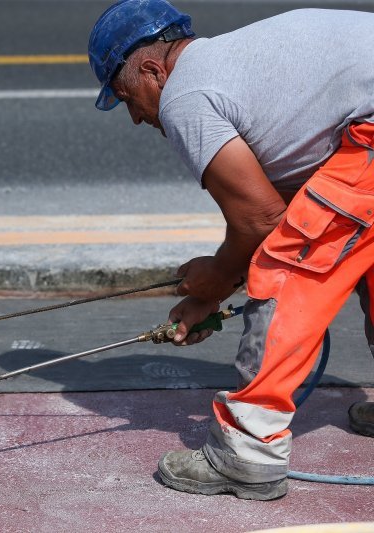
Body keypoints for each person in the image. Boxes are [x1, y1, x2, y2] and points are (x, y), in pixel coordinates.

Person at [88, 0, 374, 500]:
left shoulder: (185, 95)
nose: (134, 117)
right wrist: (216, 283)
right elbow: (286, 202)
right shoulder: (233, 65)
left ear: (154, 69)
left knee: (288, 269)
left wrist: (216, 280)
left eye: (126, 96)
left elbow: (263, 221)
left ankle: (247, 452)